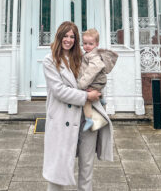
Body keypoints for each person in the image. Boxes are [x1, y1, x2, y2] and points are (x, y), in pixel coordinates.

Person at [43, 21, 114, 191]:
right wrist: (86, 96)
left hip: (87, 119)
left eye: (72, 37)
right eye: (65, 36)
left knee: (87, 166)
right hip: (63, 119)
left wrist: (97, 90)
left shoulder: (82, 57)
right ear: (59, 37)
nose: (68, 40)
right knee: (58, 169)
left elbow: (99, 72)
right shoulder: (50, 60)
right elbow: (59, 91)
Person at [78, 28, 118, 131]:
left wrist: (81, 84)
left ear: (96, 44)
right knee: (94, 91)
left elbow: (92, 71)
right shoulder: (90, 54)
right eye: (85, 43)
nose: (87, 46)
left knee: (86, 100)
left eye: (90, 44)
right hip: (100, 82)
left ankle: (89, 119)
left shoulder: (93, 56)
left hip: (96, 81)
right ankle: (102, 99)